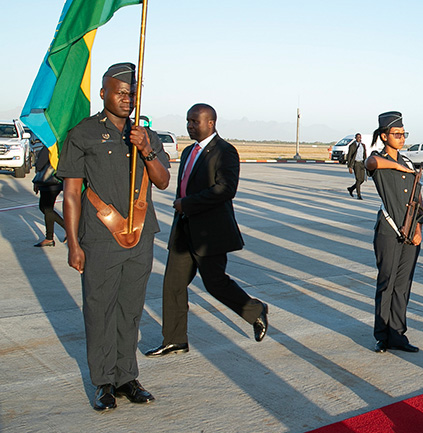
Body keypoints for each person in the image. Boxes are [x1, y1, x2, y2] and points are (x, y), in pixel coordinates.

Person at [57, 63, 170, 411]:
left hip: (141, 235)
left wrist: (146, 149)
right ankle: (103, 382)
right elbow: (72, 194)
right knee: (99, 310)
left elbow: (163, 181)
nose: (126, 98)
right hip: (100, 238)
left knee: (130, 311)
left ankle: (126, 377)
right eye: (119, 91)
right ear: (103, 93)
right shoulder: (84, 133)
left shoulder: (145, 135)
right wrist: (74, 243)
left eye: (131, 93)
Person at [145, 104, 269, 358]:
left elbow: (225, 189)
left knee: (214, 283)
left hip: (210, 233)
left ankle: (255, 310)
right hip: (184, 230)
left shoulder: (225, 151)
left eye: (194, 122)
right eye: (187, 121)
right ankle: (175, 339)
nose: (189, 126)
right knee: (173, 286)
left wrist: (186, 203)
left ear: (210, 123)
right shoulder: (190, 150)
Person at [365, 111, 423, 353]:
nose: (402, 138)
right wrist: (398, 166)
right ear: (384, 136)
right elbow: (370, 164)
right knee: (387, 283)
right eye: (396, 134)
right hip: (388, 230)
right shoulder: (379, 159)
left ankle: (397, 334)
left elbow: (418, 200)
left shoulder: (409, 164)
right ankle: (382, 335)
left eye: (404, 133)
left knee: (403, 285)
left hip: (411, 232)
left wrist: (419, 230)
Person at [32, 146, 65, 247]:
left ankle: (50, 237)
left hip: (48, 182)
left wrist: (37, 178)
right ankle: (52, 236)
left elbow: (41, 162)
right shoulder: (61, 144)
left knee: (46, 208)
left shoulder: (49, 144)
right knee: (46, 208)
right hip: (58, 180)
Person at [346, 133, 367, 200]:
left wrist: (366, 163)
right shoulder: (352, 146)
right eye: (357, 137)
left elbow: (364, 155)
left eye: (359, 137)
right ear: (355, 138)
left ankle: (351, 188)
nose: (358, 138)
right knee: (358, 179)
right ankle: (359, 195)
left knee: (362, 180)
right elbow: (349, 156)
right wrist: (350, 166)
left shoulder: (363, 145)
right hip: (356, 163)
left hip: (362, 163)